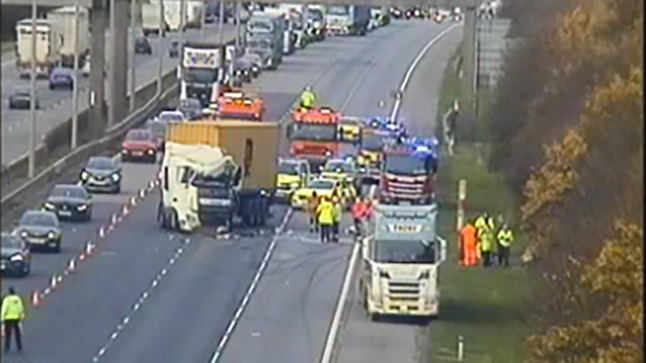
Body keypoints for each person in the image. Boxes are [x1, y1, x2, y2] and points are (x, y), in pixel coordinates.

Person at [2, 286, 25, 353]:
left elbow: (4, 309)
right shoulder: (17, 299)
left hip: (8, 319)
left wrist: (2, 318)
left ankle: (6, 348)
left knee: (8, 335)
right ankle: (19, 347)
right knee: (17, 334)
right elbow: (20, 308)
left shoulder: (7, 299)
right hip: (16, 318)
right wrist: (21, 315)